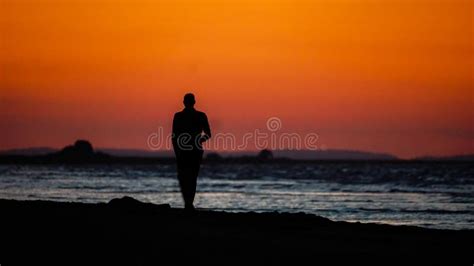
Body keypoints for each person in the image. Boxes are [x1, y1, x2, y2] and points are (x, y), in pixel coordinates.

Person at [172, 93, 211, 210]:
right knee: (190, 177)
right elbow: (208, 134)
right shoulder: (198, 115)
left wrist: (178, 150)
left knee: (187, 177)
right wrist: (198, 141)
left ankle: (188, 204)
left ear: (184, 102)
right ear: (194, 102)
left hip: (187, 151)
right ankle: (188, 204)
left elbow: (174, 137)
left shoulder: (181, 116)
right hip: (189, 150)